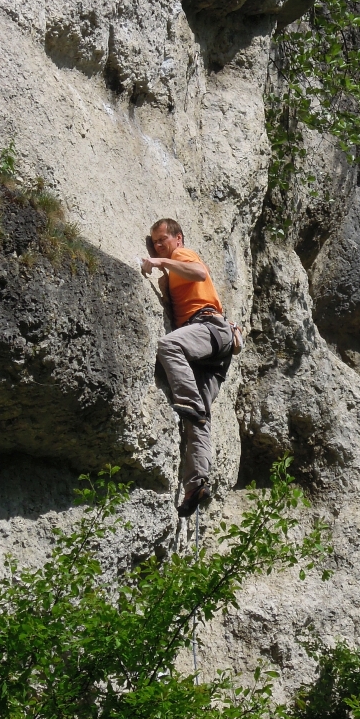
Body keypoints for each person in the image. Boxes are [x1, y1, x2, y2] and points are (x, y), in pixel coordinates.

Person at [141, 218, 233, 518]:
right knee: (199, 421)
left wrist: (159, 260)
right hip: (213, 348)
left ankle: (188, 400)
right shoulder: (172, 270)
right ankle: (196, 485)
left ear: (178, 238)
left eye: (163, 239)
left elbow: (198, 272)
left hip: (209, 327)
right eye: (155, 242)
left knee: (169, 346)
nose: (158, 245)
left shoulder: (182, 255)